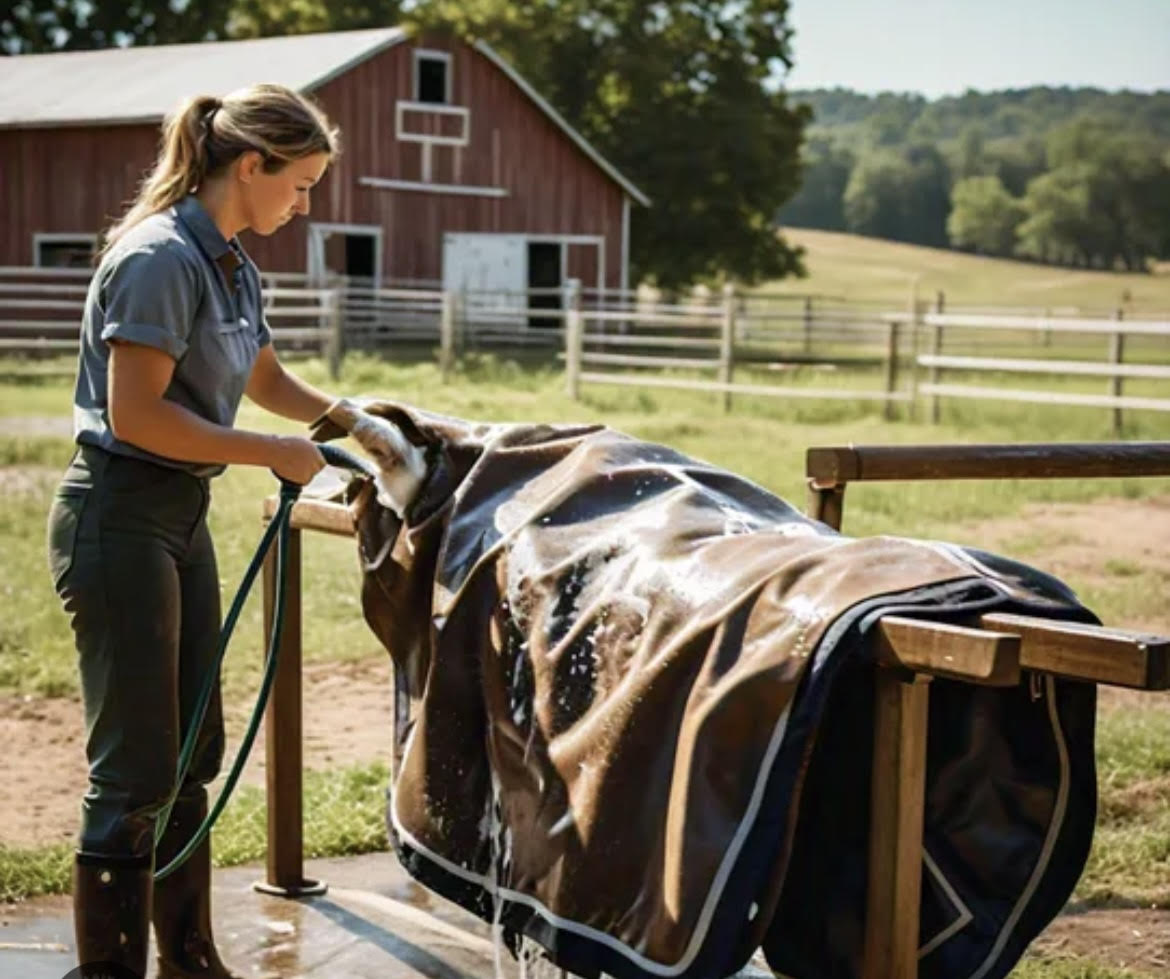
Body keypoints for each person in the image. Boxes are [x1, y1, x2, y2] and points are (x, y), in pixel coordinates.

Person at [46, 83, 343, 978]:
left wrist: (361, 424)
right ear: (250, 165)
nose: (303, 204)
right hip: (121, 511)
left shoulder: (231, 263)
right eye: (299, 185)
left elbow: (266, 379)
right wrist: (269, 453)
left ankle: (189, 957)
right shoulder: (159, 257)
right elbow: (136, 416)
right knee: (137, 767)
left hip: (179, 515)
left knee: (190, 751)